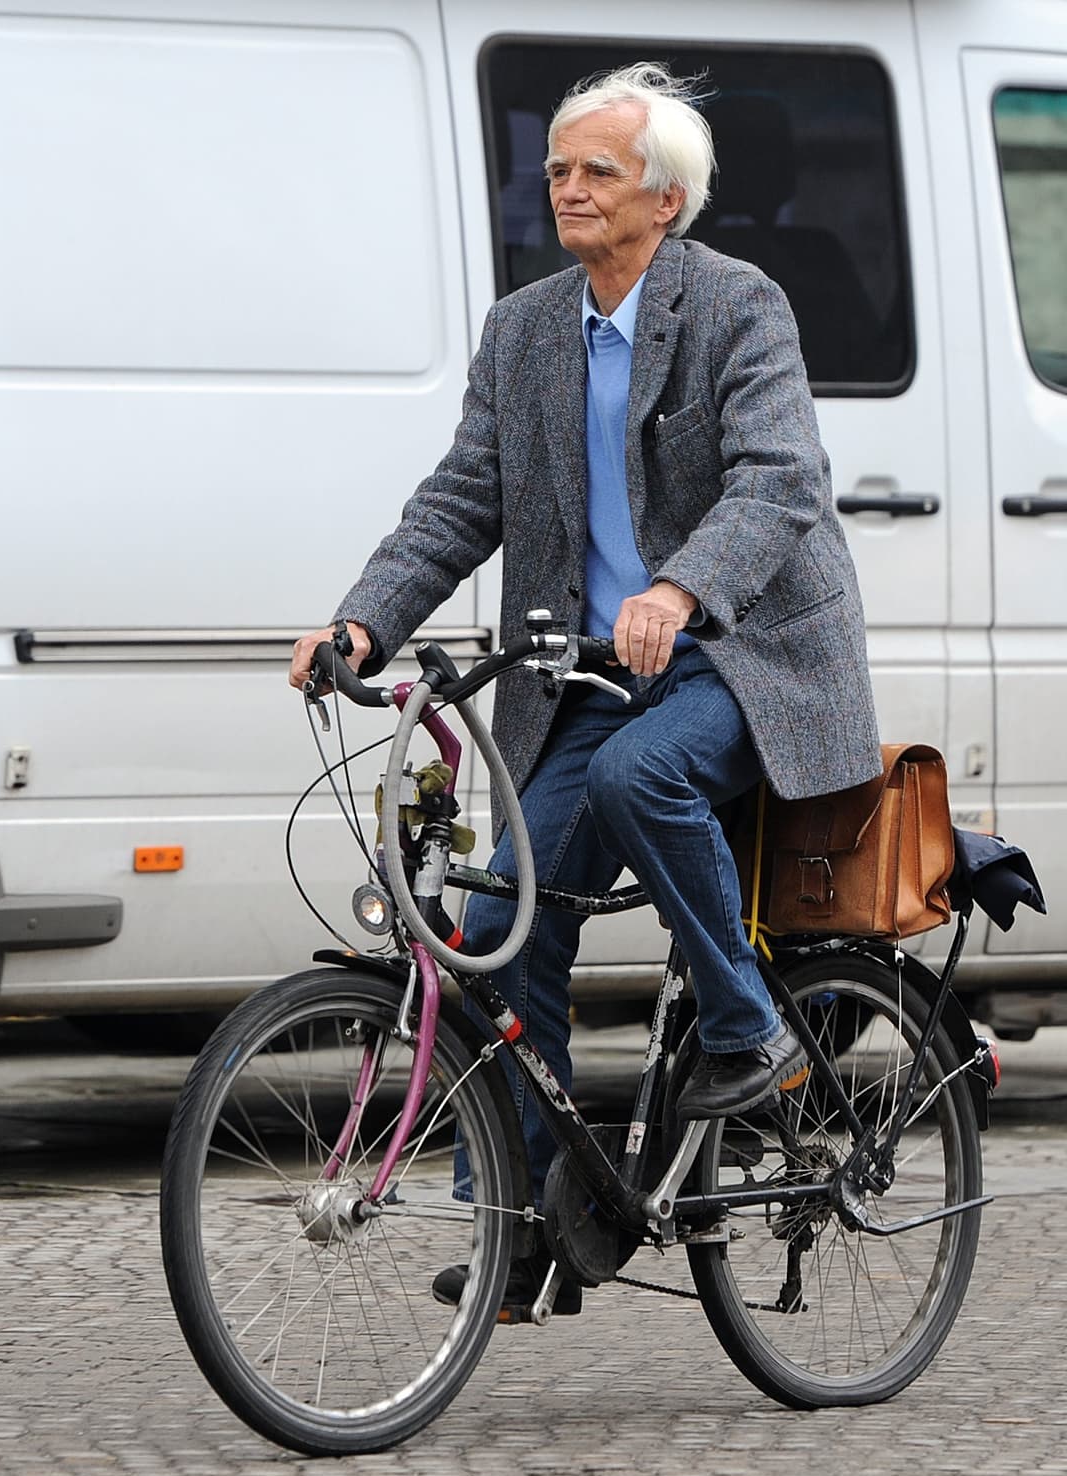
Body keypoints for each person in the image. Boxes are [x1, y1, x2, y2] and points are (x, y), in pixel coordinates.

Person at [288, 63, 881, 1317]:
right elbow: (461, 499)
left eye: (596, 170)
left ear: (664, 199)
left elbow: (779, 481)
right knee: (497, 910)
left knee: (638, 772)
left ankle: (750, 1035)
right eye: (557, 167)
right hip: (595, 677)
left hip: (750, 653)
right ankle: (536, 1220)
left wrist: (678, 590)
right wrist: (363, 617)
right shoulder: (526, 328)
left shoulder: (738, 306)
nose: (567, 187)